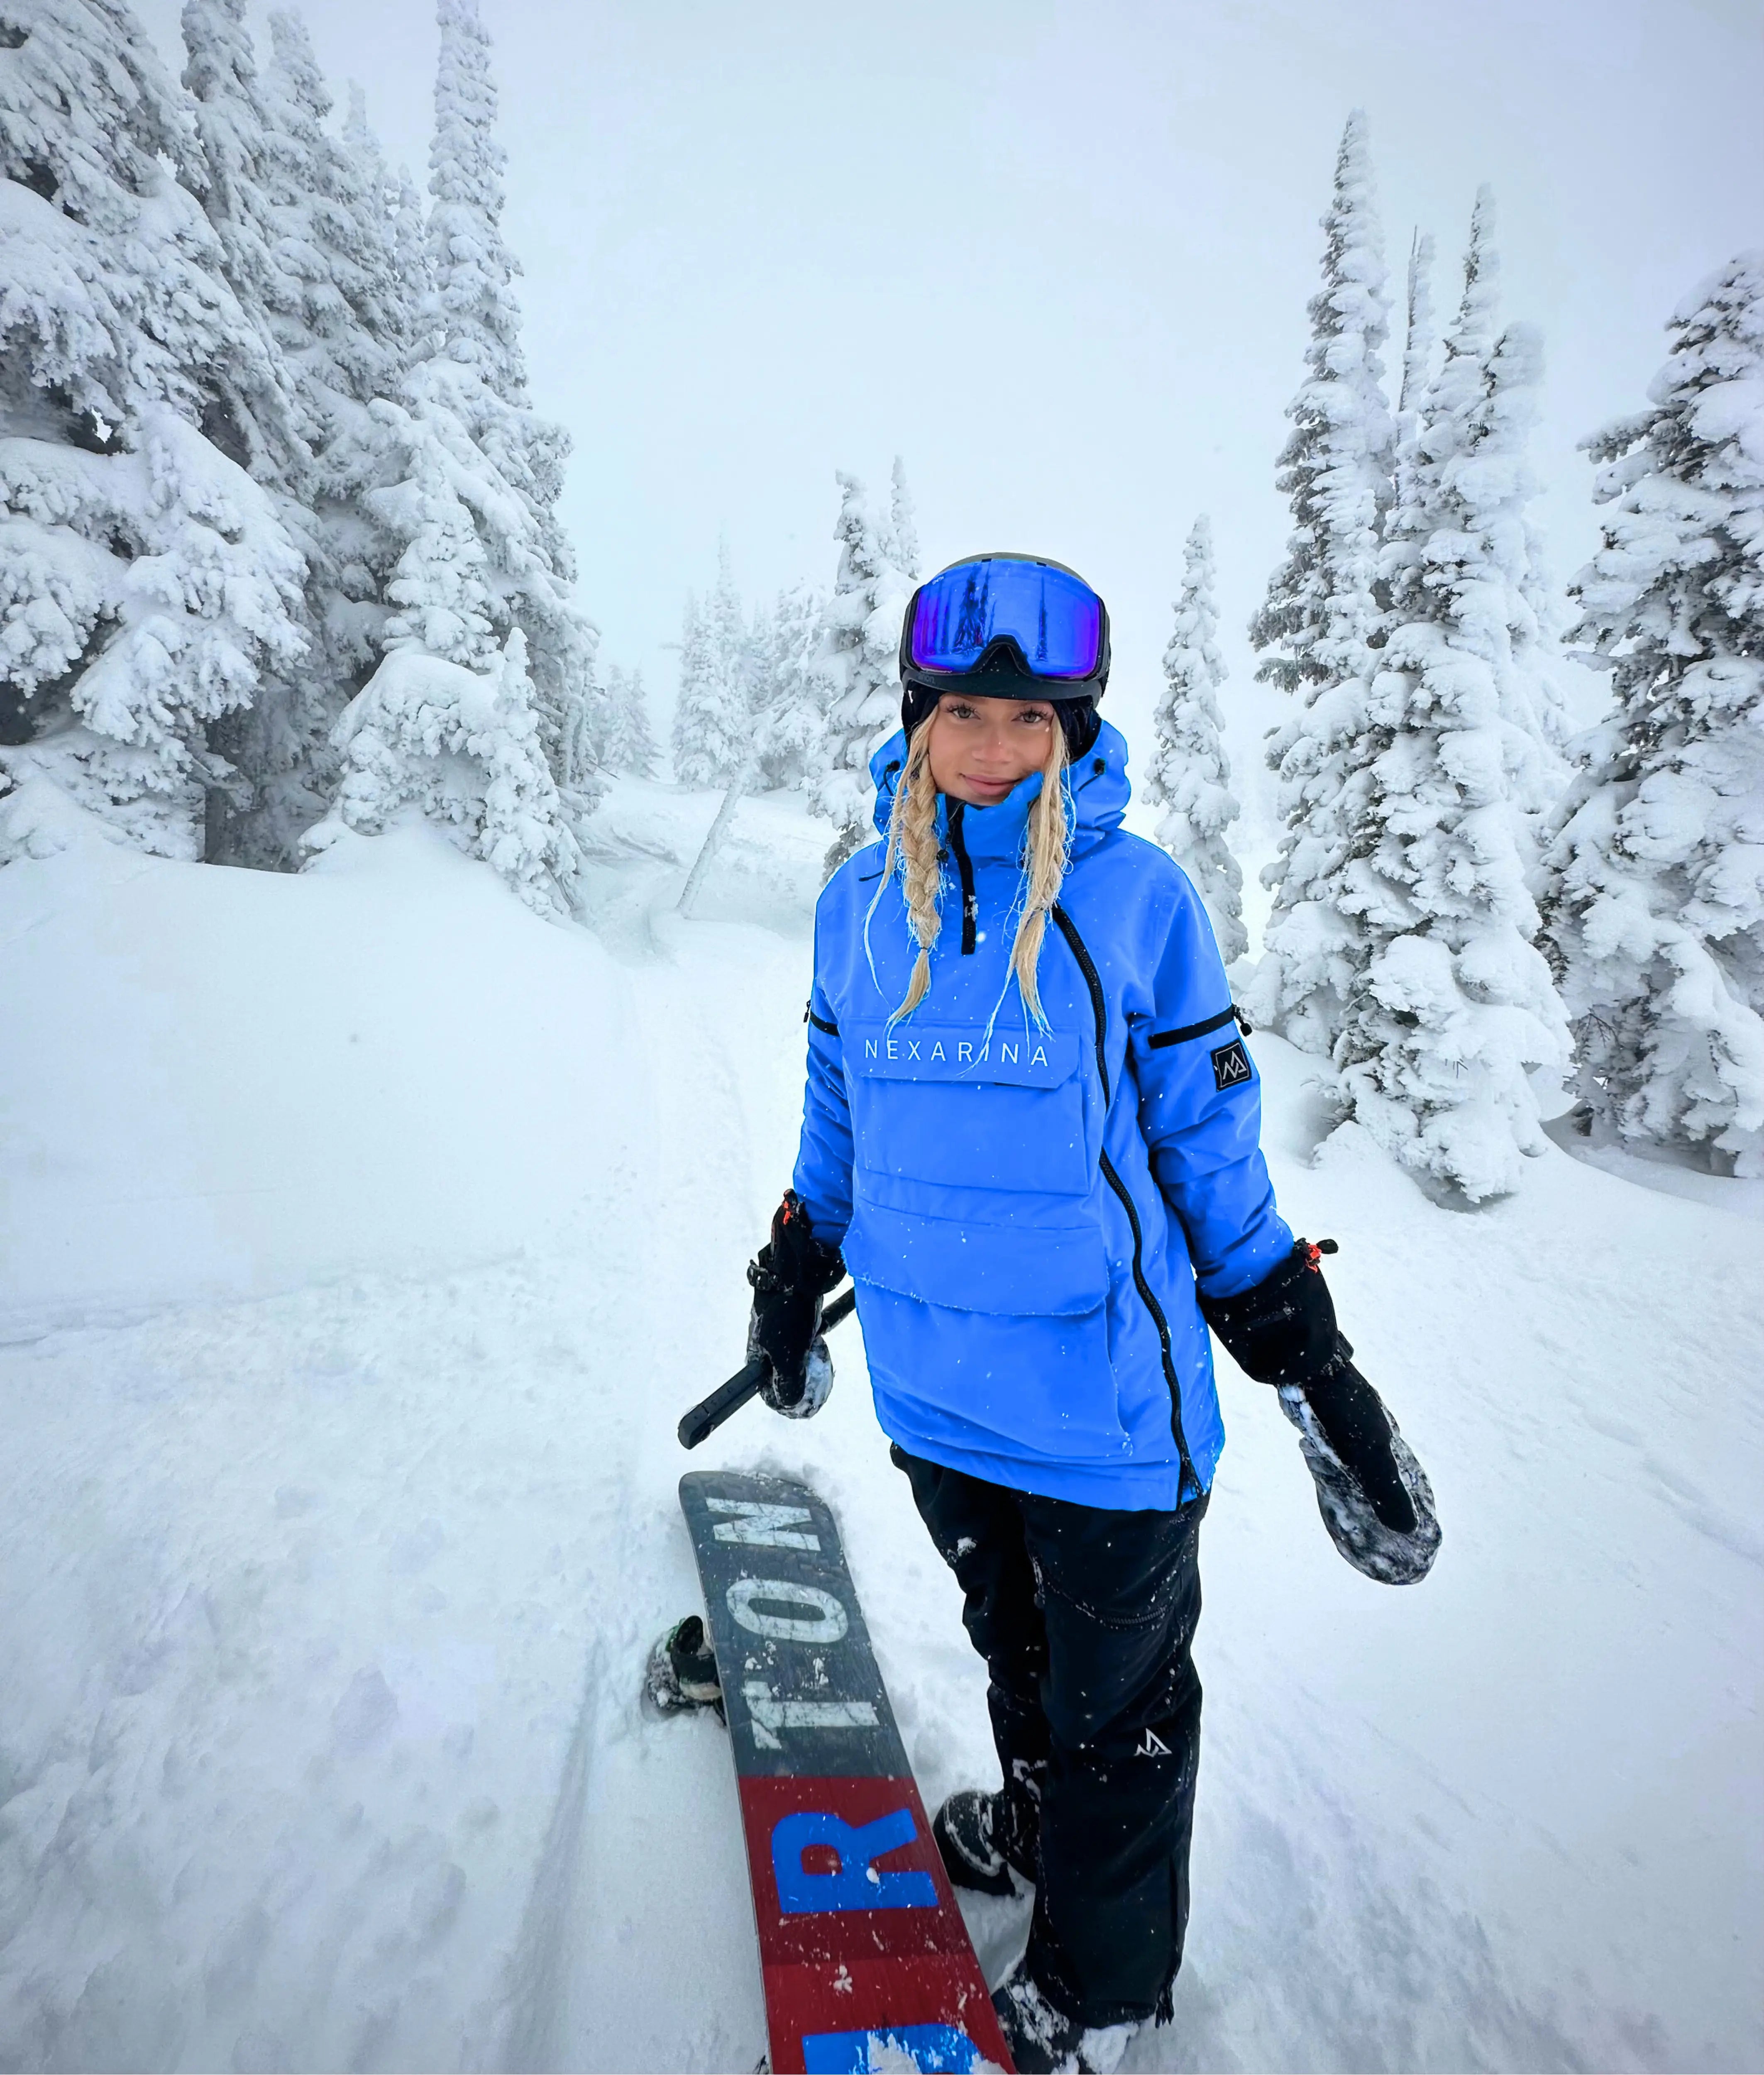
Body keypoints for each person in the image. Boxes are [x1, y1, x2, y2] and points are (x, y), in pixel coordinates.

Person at [744, 553, 1439, 2073]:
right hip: (935, 1395)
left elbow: (1206, 1148)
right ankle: (1033, 1822)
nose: (993, 747)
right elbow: (837, 1109)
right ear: (919, 717)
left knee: (1117, 1722)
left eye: (1028, 720)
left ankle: (1097, 1981)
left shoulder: (1131, 900)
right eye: (967, 713)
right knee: (1015, 1656)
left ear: (1071, 734)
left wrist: (1306, 1358)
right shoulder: (858, 906)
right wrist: (796, 1261)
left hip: (1109, 1417)